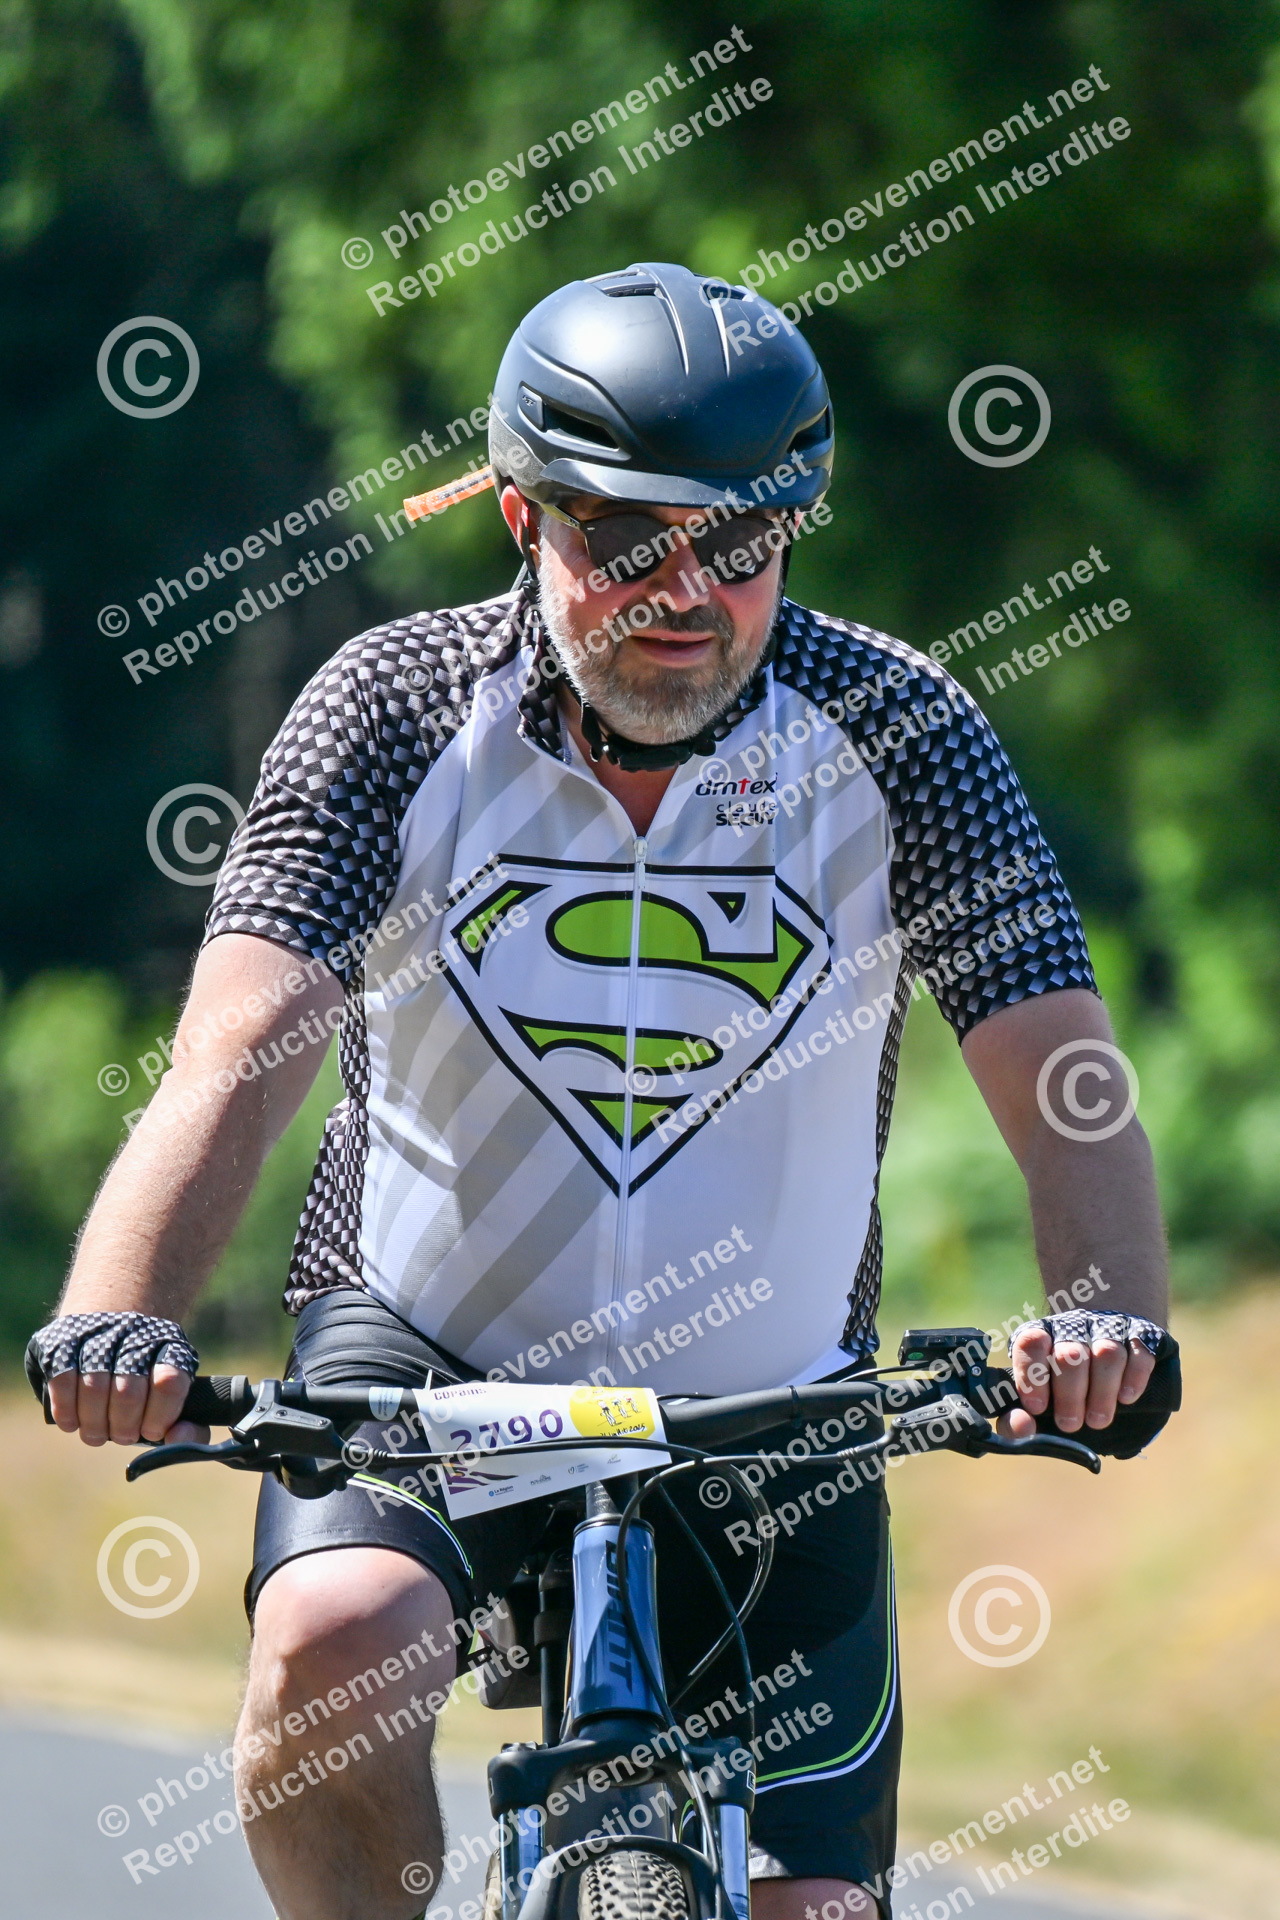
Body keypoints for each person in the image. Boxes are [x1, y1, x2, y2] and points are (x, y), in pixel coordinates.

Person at [28, 263, 1172, 1920]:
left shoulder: (902, 728)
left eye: (743, 541)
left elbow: (1057, 1054)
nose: (686, 592)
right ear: (522, 515)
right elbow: (240, 1044)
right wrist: (121, 1312)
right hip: (427, 1366)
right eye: (629, 540)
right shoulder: (392, 710)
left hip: (768, 1400)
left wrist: (1108, 1314)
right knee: (332, 1644)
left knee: (814, 1911)